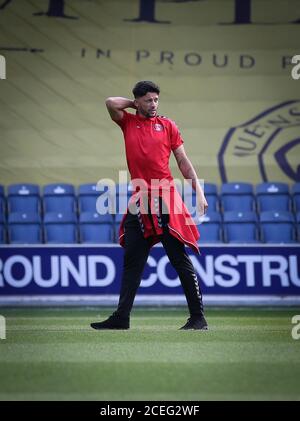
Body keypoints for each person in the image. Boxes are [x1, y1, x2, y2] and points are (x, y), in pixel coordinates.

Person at [91, 81, 208, 330]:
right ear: (137, 101)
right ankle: (122, 318)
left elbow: (183, 161)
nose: (154, 104)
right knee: (132, 262)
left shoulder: (168, 126)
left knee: (179, 259)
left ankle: (198, 318)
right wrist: (134, 104)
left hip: (165, 199)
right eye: (148, 100)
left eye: (156, 99)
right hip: (139, 201)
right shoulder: (128, 122)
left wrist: (198, 191)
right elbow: (110, 102)